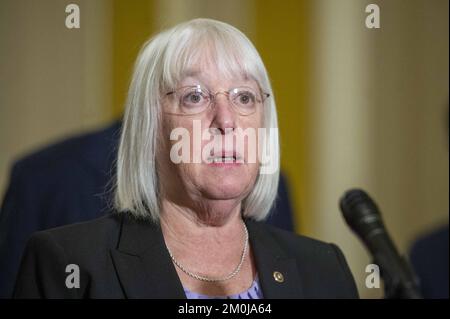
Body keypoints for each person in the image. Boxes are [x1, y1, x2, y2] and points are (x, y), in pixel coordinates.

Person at [13, 18, 358, 299]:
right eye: (194, 96)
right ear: (150, 129)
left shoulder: (323, 269)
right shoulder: (69, 264)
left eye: (245, 97)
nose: (226, 120)